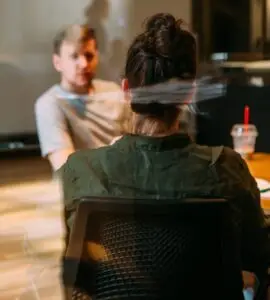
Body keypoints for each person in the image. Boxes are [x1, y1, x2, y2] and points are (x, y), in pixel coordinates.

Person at [61, 13, 269, 296]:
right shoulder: (227, 169)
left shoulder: (81, 170)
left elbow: (78, 276)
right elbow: (258, 258)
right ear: (189, 94)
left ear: (126, 90)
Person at [35, 24, 127, 171]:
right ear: (57, 62)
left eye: (89, 56)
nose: (84, 64)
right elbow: (67, 169)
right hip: (86, 190)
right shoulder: (49, 103)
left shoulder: (114, 91)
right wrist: (114, 154)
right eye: (74, 56)